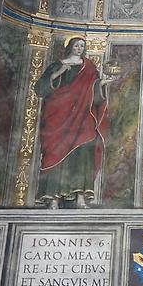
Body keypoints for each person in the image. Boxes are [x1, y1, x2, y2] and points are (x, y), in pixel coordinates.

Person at [34, 37, 110, 208]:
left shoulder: (89, 67)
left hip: (82, 117)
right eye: (76, 45)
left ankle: (80, 198)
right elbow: (40, 88)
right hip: (58, 115)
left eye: (82, 46)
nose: (79, 48)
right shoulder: (58, 64)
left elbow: (94, 89)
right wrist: (59, 72)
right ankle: (52, 199)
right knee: (55, 153)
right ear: (70, 47)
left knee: (82, 153)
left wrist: (102, 84)